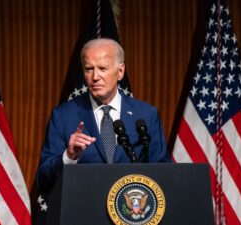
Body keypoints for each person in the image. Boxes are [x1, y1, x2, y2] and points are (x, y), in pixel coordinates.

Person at [36, 38, 171, 192]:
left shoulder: (146, 114)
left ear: (120, 72)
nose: (95, 77)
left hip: (132, 210)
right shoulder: (63, 116)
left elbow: (164, 174)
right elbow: (43, 180)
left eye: (102, 68)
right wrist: (68, 157)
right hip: (83, 211)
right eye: (89, 69)